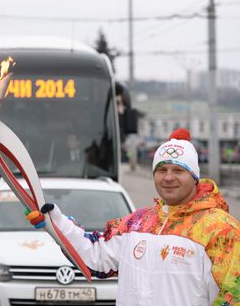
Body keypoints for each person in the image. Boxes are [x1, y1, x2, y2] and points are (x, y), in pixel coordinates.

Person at [28, 129, 239, 305]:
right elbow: (96, 258)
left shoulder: (220, 229)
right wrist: (56, 223)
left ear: (194, 177)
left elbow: (233, 295)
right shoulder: (138, 223)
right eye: (162, 169)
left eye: (178, 170)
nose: (168, 177)